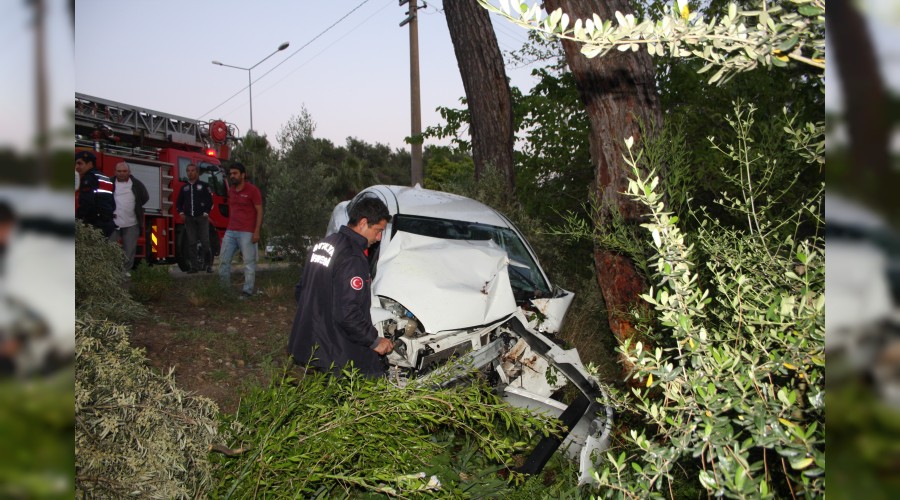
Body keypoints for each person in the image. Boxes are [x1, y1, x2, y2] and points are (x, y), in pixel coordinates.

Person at [287, 197, 394, 378]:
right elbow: (348, 314)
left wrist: (322, 319)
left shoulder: (324, 244)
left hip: (310, 343)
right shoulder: (352, 257)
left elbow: (301, 291)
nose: (379, 238)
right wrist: (375, 341)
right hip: (334, 353)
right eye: (378, 231)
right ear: (363, 223)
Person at [218, 163, 262, 298]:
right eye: (231, 173)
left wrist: (256, 231)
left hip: (247, 232)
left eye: (235, 173)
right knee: (223, 261)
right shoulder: (231, 190)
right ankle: (224, 291)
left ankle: (247, 291)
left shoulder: (253, 190)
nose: (232, 176)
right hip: (231, 231)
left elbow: (259, 211)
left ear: (243, 175)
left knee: (248, 263)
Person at [109, 162, 149, 276]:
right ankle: (110, 271)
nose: (122, 174)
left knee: (129, 248)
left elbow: (145, 197)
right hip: (113, 223)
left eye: (124, 171)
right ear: (115, 172)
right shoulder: (109, 183)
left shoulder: (136, 184)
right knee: (110, 247)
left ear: (129, 172)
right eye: (119, 171)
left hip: (132, 222)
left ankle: (125, 270)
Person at [176, 163, 214, 273]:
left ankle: (208, 265)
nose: (190, 172)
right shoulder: (184, 188)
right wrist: (181, 213)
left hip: (202, 218)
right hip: (189, 219)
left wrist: (206, 212)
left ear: (197, 173)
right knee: (191, 242)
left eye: (193, 170)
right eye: (188, 171)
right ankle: (194, 266)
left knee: (205, 242)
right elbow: (179, 203)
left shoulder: (204, 186)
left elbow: (210, 202)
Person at [75, 151, 116, 237]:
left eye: (80, 163)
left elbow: (87, 202)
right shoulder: (104, 177)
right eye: (76, 164)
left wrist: (78, 219)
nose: (76, 167)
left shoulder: (89, 178)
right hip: (107, 223)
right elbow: (112, 202)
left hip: (95, 224)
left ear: (90, 164)